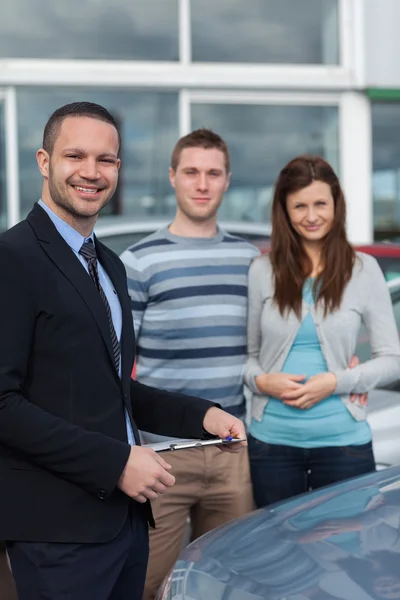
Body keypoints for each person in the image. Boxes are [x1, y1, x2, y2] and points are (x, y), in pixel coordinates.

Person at [0, 102, 247, 600]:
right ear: (45, 162)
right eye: (76, 156)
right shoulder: (12, 259)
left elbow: (109, 387)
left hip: (127, 524)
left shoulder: (110, 265)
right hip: (58, 534)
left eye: (106, 160)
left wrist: (201, 415)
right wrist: (115, 463)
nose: (91, 172)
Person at [120, 128, 259, 600]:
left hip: (231, 453)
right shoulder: (138, 263)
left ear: (227, 181)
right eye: (192, 172)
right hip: (162, 458)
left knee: (229, 584)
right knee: (144, 583)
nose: (202, 183)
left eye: (213, 173)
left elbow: (276, 339)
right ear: (173, 178)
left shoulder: (248, 260)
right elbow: (115, 363)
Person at [245, 155, 400, 508]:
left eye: (320, 204)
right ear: (283, 210)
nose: (311, 216)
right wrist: (262, 382)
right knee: (276, 555)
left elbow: (393, 360)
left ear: (336, 204)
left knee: (343, 555)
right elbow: (247, 360)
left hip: (343, 444)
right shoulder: (261, 271)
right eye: (299, 206)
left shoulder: (363, 269)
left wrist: (338, 381)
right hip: (271, 446)